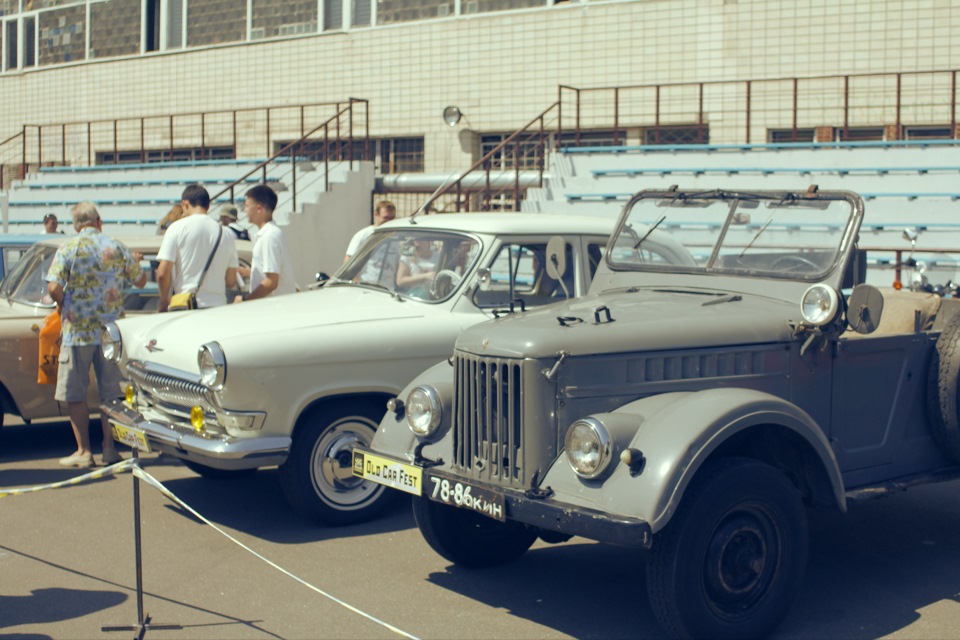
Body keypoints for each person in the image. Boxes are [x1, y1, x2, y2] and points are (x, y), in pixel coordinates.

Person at [45, 202, 147, 468]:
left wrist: (65, 303)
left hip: (77, 331)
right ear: (99, 221)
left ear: (77, 225)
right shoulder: (116, 247)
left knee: (75, 393)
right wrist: (133, 263)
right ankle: (109, 448)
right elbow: (140, 280)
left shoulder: (69, 247)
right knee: (111, 394)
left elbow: (53, 286)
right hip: (110, 333)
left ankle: (84, 451)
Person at [156, 185, 239, 311]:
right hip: (218, 306)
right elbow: (231, 281)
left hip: (186, 305)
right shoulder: (226, 234)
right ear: (208, 206)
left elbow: (162, 273)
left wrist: (164, 301)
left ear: (185, 204)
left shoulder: (176, 228)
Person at [234, 184, 296, 301]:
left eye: (247, 206)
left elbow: (271, 282)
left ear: (259, 208)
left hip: (274, 307)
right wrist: (250, 273)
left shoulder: (269, 237)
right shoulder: (269, 234)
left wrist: (245, 300)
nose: (245, 210)